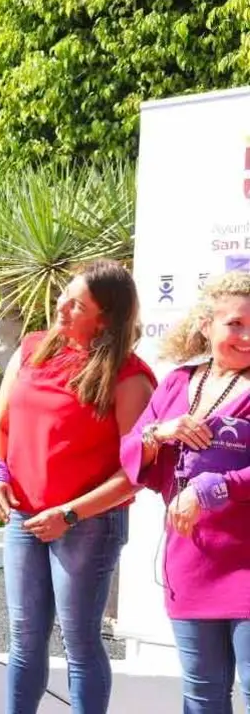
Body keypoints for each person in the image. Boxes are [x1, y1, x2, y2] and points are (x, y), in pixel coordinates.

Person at [0, 259, 156, 714]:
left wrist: (72, 514)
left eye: (77, 305)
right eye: (64, 294)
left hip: (88, 525)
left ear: (107, 318)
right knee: (24, 637)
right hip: (24, 516)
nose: (61, 307)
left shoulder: (129, 377)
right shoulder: (33, 349)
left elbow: (134, 472)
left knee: (80, 641)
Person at [118, 271, 250, 713]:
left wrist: (216, 487)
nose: (247, 336)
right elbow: (131, 452)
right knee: (201, 699)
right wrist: (160, 431)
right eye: (235, 324)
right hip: (191, 562)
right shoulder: (176, 384)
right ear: (206, 324)